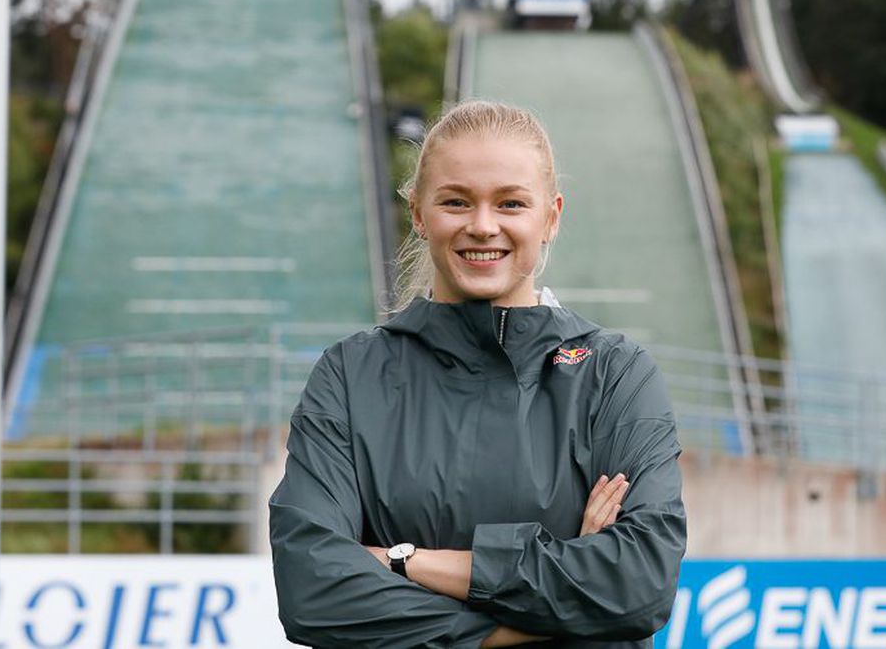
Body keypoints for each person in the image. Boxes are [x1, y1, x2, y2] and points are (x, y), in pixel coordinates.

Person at [269, 100, 686, 647]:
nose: (483, 226)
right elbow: (313, 591)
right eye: (456, 202)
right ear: (419, 212)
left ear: (551, 216)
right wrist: (536, 621)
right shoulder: (351, 376)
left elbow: (639, 582)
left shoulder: (614, 374)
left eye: (511, 203)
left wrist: (404, 562)